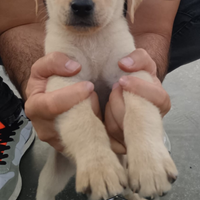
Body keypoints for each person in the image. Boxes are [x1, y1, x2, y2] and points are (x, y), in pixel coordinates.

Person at [0, 0, 199, 199]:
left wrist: (144, 136)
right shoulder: (57, 33)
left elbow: (136, 77)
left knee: (133, 86)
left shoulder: (119, 31)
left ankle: (135, 170)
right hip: (75, 129)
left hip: (124, 44)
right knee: (51, 179)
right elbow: (59, 81)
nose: (82, 3)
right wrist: (89, 147)